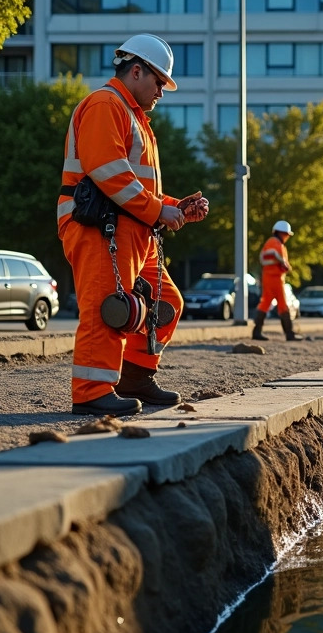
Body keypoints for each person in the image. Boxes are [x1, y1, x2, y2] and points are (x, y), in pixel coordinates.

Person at [57, 34, 209, 416]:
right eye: (159, 82)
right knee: (107, 307)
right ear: (136, 70)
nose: (161, 91)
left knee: (168, 303)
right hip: (99, 228)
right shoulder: (106, 104)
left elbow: (131, 183)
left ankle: (135, 378)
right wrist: (161, 212)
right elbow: (110, 174)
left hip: (129, 229)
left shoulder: (132, 115)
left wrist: (176, 207)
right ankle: (91, 391)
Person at [253, 220, 301, 341]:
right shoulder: (277, 244)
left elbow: (263, 258)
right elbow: (281, 261)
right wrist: (286, 266)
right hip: (276, 278)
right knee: (283, 305)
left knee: (265, 303)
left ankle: (256, 331)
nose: (287, 237)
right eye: (286, 235)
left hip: (267, 277)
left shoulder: (269, 242)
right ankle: (289, 334)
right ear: (282, 233)